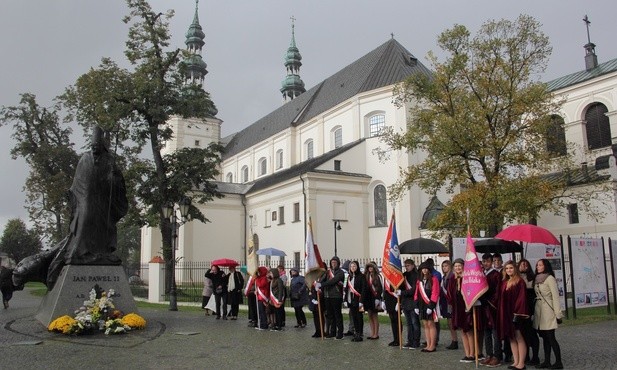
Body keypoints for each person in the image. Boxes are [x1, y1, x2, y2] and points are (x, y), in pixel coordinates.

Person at [12, 126, 128, 290]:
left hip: (103, 202)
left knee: (103, 227)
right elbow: (79, 182)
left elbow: (117, 182)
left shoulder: (110, 161)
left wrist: (113, 179)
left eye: (97, 146)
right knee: (85, 221)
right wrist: (78, 198)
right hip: (85, 199)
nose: (95, 149)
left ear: (102, 146)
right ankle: (81, 252)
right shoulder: (85, 159)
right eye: (93, 146)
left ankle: (100, 253)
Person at [497, 260, 529, 370]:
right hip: (507, 314)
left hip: (515, 314)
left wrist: (518, 314)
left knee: (519, 337)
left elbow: (522, 299)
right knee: (511, 338)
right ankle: (515, 361)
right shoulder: (504, 282)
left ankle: (521, 363)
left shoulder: (519, 282)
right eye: (506, 268)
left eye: (511, 268)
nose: (509, 270)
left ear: (515, 269)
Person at [533, 259, 563, 369]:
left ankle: (558, 362)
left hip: (548, 310)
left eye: (540, 265)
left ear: (545, 266)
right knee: (545, 337)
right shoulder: (536, 278)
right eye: (537, 265)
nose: (538, 267)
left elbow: (555, 297)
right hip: (539, 310)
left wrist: (558, 314)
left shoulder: (550, 278)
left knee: (551, 337)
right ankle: (547, 361)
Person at [447, 259, 475, 363]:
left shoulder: (467, 278)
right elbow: (449, 294)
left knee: (469, 331)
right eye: (456, 266)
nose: (458, 268)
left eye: (460, 266)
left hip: (466, 307)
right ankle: (467, 353)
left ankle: (472, 354)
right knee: (462, 331)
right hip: (457, 308)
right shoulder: (452, 279)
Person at [317, 256, 345, 339]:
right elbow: (322, 279)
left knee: (337, 315)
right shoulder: (328, 272)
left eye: (335, 262)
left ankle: (340, 333)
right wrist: (317, 283)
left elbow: (333, 281)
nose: (333, 264)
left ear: (338, 263)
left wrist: (322, 284)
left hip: (336, 296)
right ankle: (332, 332)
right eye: (332, 262)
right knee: (330, 315)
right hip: (327, 296)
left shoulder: (340, 272)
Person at [519, 258, 540, 366]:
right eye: (522, 265)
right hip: (520, 310)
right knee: (523, 334)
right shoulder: (517, 278)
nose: (524, 266)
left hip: (530, 309)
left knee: (532, 334)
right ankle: (525, 356)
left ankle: (535, 356)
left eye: (526, 265)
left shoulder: (533, 278)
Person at [481, 253, 501, 367]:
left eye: (488, 261)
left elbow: (498, 292)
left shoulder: (496, 275)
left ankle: (497, 356)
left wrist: (491, 302)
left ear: (492, 262)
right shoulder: (481, 274)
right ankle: (489, 354)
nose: (486, 263)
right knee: (486, 332)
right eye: (484, 262)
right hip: (483, 307)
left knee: (495, 333)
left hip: (492, 307)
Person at [415, 262, 439, 353]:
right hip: (421, 305)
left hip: (429, 304)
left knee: (431, 324)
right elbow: (416, 293)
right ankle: (428, 345)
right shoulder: (419, 281)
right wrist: (416, 305)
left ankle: (432, 345)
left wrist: (431, 305)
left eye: (426, 268)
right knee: (425, 325)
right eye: (422, 269)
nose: (424, 270)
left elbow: (435, 293)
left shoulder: (433, 279)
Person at [401, 259, 421, 349]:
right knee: (408, 323)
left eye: (408, 265)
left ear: (413, 265)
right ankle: (410, 340)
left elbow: (413, 290)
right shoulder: (404, 275)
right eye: (405, 266)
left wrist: (402, 293)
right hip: (405, 302)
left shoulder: (416, 276)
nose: (407, 267)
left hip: (413, 302)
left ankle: (416, 342)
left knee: (415, 323)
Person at [345, 261, 366, 342]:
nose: (353, 267)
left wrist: (361, 300)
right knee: (354, 317)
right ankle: (356, 332)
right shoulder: (349, 277)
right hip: (352, 300)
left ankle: (360, 333)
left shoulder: (361, 276)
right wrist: (346, 300)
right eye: (351, 266)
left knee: (359, 317)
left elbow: (364, 289)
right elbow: (347, 289)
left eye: (354, 266)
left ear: (357, 267)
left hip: (360, 301)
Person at [441, 259, 458, 350]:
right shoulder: (444, 277)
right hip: (445, 301)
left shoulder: (452, 276)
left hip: (451, 302)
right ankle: (453, 339)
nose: (444, 268)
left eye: (446, 266)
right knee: (449, 321)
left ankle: (455, 340)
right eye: (443, 266)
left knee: (451, 321)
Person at [363, 261, 383, 340]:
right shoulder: (366, 276)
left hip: (375, 298)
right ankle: (372, 333)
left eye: (371, 267)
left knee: (374, 316)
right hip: (368, 298)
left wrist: (378, 298)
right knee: (370, 315)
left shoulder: (377, 276)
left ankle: (376, 334)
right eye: (369, 267)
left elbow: (380, 288)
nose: (370, 269)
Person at [309, 270, 326, 338]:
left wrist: (320, 294)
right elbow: (310, 289)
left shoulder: (323, 278)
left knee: (321, 316)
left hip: (321, 300)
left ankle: (322, 330)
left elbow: (324, 288)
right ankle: (317, 330)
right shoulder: (313, 280)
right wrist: (312, 298)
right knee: (315, 316)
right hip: (314, 300)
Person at [384, 281, 401, 347]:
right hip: (388, 299)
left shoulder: (396, 275)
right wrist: (384, 300)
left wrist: (399, 302)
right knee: (392, 320)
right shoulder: (386, 276)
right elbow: (385, 288)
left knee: (397, 320)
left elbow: (401, 288)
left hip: (396, 299)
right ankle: (395, 339)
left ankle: (398, 339)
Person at [254, 266, 270, 330]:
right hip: (260, 296)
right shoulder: (261, 277)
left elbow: (261, 285)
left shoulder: (264, 278)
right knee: (260, 311)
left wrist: (256, 279)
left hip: (262, 297)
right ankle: (261, 323)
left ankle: (264, 325)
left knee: (262, 312)